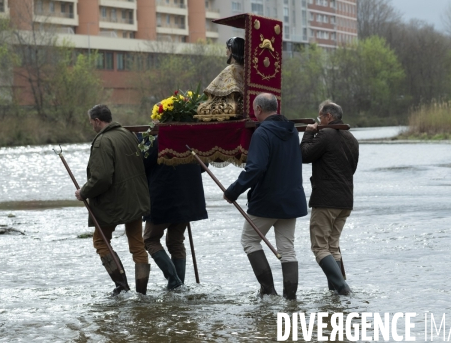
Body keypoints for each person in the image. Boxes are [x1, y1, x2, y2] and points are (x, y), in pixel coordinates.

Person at [223, 93, 307, 300]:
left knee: (250, 241)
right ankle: (290, 300)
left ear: (258, 109)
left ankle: (268, 292)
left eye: (254, 110)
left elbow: (255, 169)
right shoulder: (292, 130)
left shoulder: (262, 133)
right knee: (287, 249)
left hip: (268, 200)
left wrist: (233, 191)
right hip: (292, 200)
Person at [75, 104, 151, 296]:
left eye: (91, 121)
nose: (91, 125)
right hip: (135, 199)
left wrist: (83, 192)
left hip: (113, 204)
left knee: (101, 242)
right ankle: (142, 294)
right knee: (137, 245)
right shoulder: (128, 134)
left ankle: (122, 287)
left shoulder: (102, 141)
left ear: (98, 121)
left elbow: (101, 178)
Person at [300, 100, 359, 295]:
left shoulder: (325, 134)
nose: (318, 120)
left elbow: (304, 155)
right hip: (346, 200)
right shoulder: (351, 138)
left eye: (320, 117)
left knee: (319, 248)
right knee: (333, 247)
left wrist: (308, 132)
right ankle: (336, 294)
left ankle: (343, 289)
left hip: (326, 200)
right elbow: (352, 169)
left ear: (329, 117)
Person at [141, 138, 208, 290]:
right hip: (187, 197)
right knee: (176, 241)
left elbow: (141, 164)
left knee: (150, 239)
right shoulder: (191, 139)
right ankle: (178, 287)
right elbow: (204, 165)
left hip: (163, 197)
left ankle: (174, 281)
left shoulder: (153, 140)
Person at [195, 37, 245, 121]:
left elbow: (212, 91)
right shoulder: (247, 69)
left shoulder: (230, 69)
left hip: (229, 108)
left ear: (232, 50)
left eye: (227, 49)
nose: (226, 52)